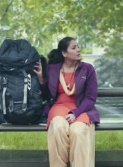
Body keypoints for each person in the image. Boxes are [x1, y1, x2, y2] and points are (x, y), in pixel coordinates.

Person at [34, 37, 99, 167]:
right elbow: (47, 96)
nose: (78, 50)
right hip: (58, 107)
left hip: (81, 109)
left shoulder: (88, 69)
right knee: (58, 128)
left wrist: (75, 113)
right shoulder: (52, 69)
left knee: (78, 132)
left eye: (78, 47)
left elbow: (90, 98)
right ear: (64, 53)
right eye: (74, 48)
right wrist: (41, 79)